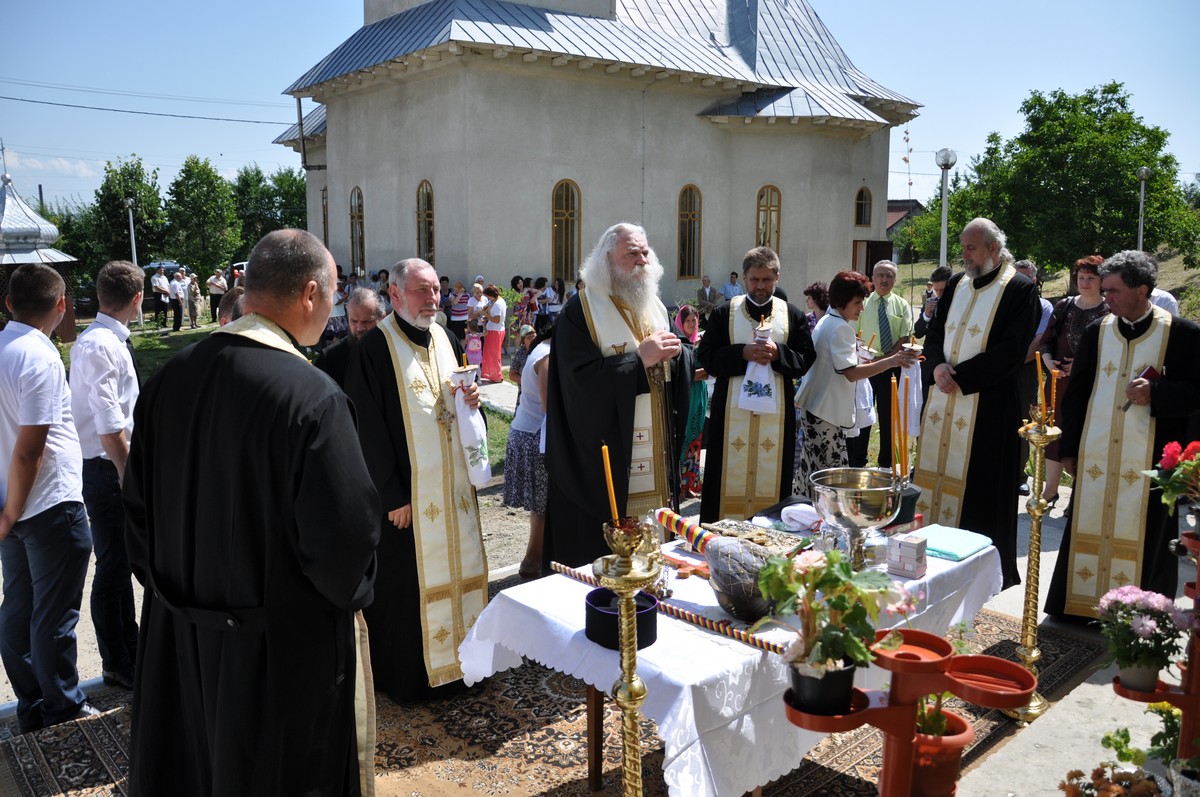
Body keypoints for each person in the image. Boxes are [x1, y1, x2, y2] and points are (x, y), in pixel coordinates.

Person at [123, 229, 379, 795]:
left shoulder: (168, 379)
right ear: (310, 294)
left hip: (179, 636)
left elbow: (135, 513)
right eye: (333, 298)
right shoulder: (314, 398)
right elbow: (345, 541)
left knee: (193, 766)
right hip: (273, 657)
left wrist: (180, 592)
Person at [345, 257, 488, 703]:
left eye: (435, 290)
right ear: (395, 294)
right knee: (407, 587)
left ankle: (466, 669)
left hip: (454, 490)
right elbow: (366, 427)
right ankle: (414, 679)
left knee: (465, 569)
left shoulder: (446, 336)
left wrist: (473, 396)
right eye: (421, 290)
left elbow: (458, 403)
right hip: (409, 499)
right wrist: (391, 494)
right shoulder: (374, 349)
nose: (432, 298)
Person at [1045, 250, 1200, 620]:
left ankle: (1140, 615)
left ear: (1142, 290)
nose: (1107, 297)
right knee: (1087, 523)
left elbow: (1197, 392)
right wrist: (1069, 449)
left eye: (1113, 291)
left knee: (1148, 537)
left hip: (1150, 462)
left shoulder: (1181, 333)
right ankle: (1079, 607)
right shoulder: (1100, 330)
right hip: (1096, 454)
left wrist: (1157, 394)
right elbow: (1078, 393)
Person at [543, 223, 692, 567]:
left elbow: (676, 357)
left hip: (653, 451)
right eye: (631, 254)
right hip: (604, 459)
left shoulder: (653, 304)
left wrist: (679, 354)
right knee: (606, 564)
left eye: (644, 253)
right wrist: (639, 360)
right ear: (607, 259)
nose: (641, 261)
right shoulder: (580, 312)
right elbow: (577, 386)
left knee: (654, 554)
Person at [913, 218, 1040, 589]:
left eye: (971, 248)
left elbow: (1012, 350)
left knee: (981, 490)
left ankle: (979, 574)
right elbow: (935, 332)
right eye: (963, 247)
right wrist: (936, 366)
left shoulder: (1019, 288)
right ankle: (928, 560)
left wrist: (961, 378)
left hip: (988, 407)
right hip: (943, 399)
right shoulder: (956, 283)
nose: (964, 255)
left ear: (993, 250)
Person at [0, 263, 96, 734]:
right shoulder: (37, 357)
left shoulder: (3, 348)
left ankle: (33, 703)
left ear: (9, 304)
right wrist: (12, 512)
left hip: (13, 504)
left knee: (19, 607)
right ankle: (62, 707)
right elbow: (29, 448)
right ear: (61, 306)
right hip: (45, 505)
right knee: (52, 614)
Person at [696, 246, 814, 522]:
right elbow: (707, 356)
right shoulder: (725, 313)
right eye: (754, 280)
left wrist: (778, 354)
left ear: (777, 278)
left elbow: (807, 358)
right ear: (745, 278)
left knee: (774, 482)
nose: (760, 286)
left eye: (766, 280)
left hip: (777, 415)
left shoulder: (792, 315)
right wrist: (742, 353)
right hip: (730, 416)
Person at [69, 260, 143, 691]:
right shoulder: (100, 345)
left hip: (110, 465)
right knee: (114, 566)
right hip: (106, 468)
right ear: (137, 299)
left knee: (121, 564)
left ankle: (130, 649)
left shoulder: (106, 340)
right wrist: (128, 477)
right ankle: (117, 661)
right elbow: (109, 426)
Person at [794, 271, 918, 497]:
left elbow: (836, 363)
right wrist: (893, 360)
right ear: (841, 302)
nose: (861, 308)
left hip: (815, 407)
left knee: (809, 473)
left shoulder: (828, 321)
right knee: (829, 481)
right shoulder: (840, 327)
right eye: (857, 302)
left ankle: (800, 513)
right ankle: (820, 522)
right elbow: (850, 373)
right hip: (826, 413)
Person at [1039, 255, 1110, 506]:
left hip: (1092, 386)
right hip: (1058, 384)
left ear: (1102, 280)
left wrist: (1081, 365)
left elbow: (1113, 352)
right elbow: (1046, 340)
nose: (1085, 282)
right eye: (1081, 278)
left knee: (1084, 435)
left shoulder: (1110, 311)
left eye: (1091, 278)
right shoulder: (1064, 306)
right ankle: (1051, 490)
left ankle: (1078, 495)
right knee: (1054, 435)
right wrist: (1048, 362)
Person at [854, 260, 913, 472]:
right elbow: (855, 335)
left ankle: (886, 463)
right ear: (872, 277)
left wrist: (887, 360)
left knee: (889, 416)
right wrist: (870, 360)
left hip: (892, 368)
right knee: (863, 413)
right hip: (866, 367)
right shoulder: (863, 303)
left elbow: (904, 337)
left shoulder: (902, 305)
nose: (884, 280)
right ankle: (858, 462)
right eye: (880, 275)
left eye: (889, 276)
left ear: (895, 279)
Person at [504, 327, 553, 580]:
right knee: (541, 506)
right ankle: (532, 561)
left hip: (525, 431)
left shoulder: (540, 350)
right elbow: (549, 406)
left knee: (540, 505)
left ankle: (536, 559)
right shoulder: (546, 356)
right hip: (534, 435)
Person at [1013, 259, 1054, 496]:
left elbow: (1038, 341)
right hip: (998, 369)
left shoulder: (1044, 306)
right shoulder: (1003, 303)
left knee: (1022, 421)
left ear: (1035, 280)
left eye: (1028, 277)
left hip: (1026, 369)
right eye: (1019, 276)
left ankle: (1019, 475)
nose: (1023, 281)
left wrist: (1012, 362)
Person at [315, 287, 387, 388]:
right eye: (354, 321)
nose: (359, 328)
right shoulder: (330, 358)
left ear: (382, 318)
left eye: (366, 321)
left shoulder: (393, 351)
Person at [674, 305, 708, 500]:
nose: (692, 323)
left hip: (699, 395)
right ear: (681, 322)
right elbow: (677, 373)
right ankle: (677, 485)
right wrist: (694, 374)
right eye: (688, 320)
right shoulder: (677, 343)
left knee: (696, 438)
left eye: (694, 320)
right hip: (684, 395)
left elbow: (708, 371)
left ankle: (690, 485)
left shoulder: (701, 343)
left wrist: (689, 374)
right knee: (683, 437)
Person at [913, 264, 953, 340]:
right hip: (931, 350)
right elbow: (917, 333)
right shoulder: (929, 304)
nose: (939, 293)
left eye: (942, 290)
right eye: (936, 290)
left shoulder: (958, 304)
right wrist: (926, 316)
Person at [479, 284, 506, 383]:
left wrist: (485, 314)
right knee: (491, 353)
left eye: (488, 295)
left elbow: (497, 320)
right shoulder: (495, 301)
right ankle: (492, 375)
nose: (487, 298)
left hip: (496, 331)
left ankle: (497, 376)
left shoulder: (498, 304)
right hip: (493, 330)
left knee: (494, 354)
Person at [509, 323, 537, 402]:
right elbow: (512, 375)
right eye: (529, 337)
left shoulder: (541, 350)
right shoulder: (520, 353)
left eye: (534, 336)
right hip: (525, 393)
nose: (532, 339)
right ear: (523, 341)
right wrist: (528, 381)